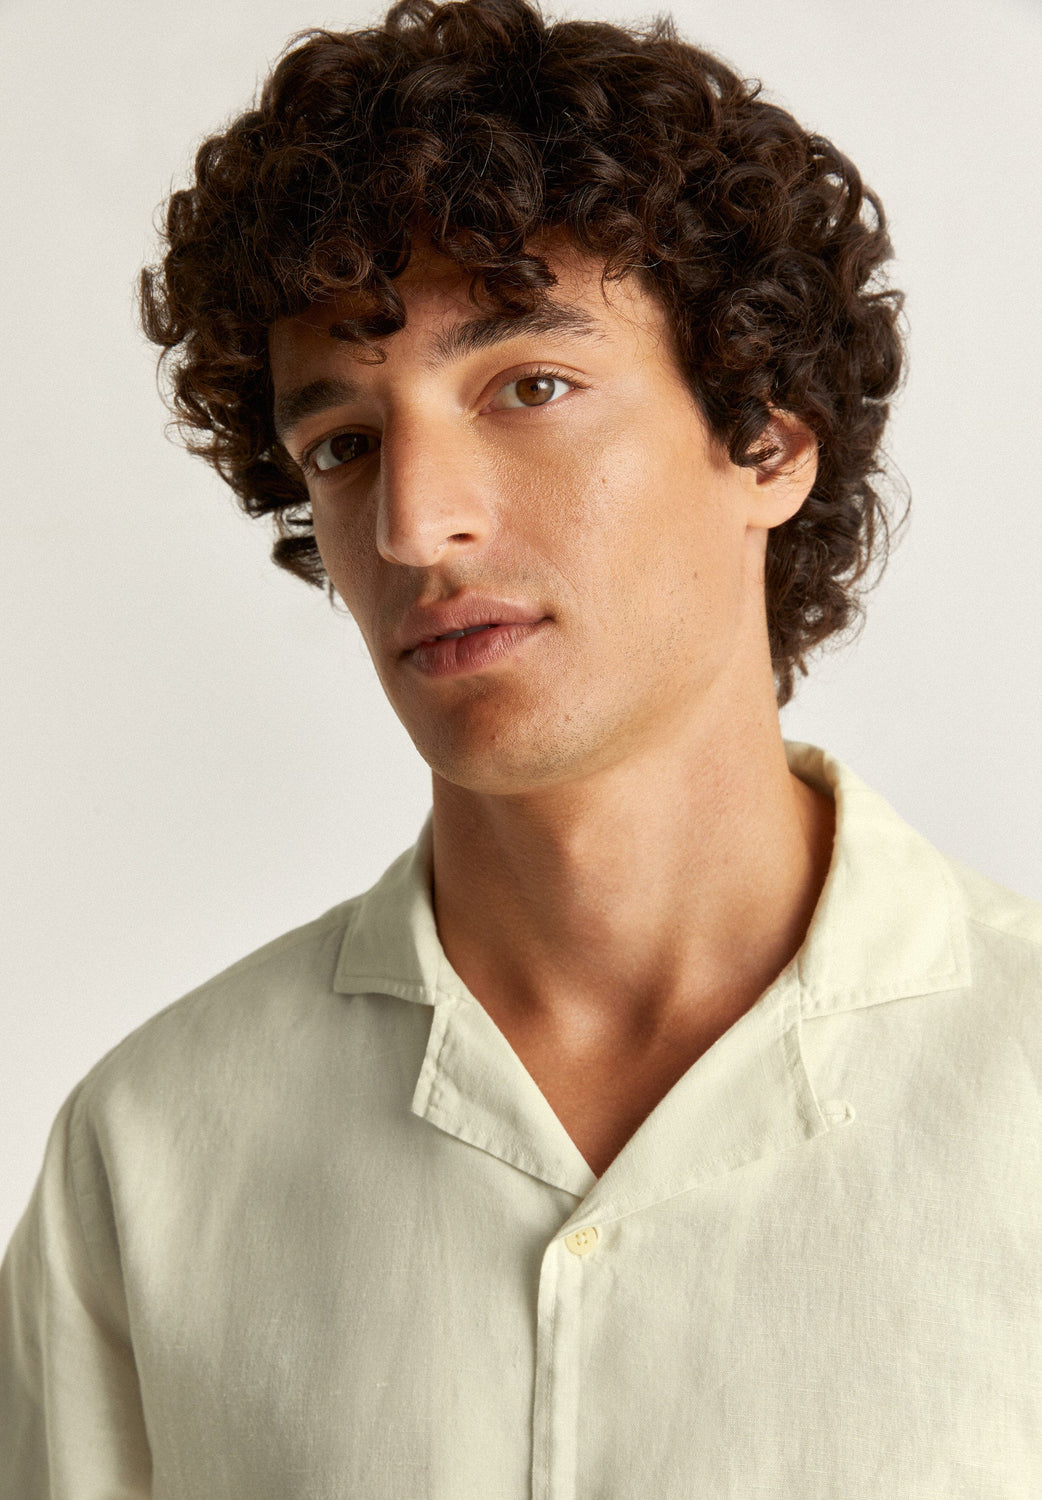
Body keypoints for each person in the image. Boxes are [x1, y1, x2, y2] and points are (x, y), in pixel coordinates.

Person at [2, 0, 1040, 1492]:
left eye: (529, 389)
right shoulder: (154, 1151)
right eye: (344, 444)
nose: (414, 525)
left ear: (766, 440)